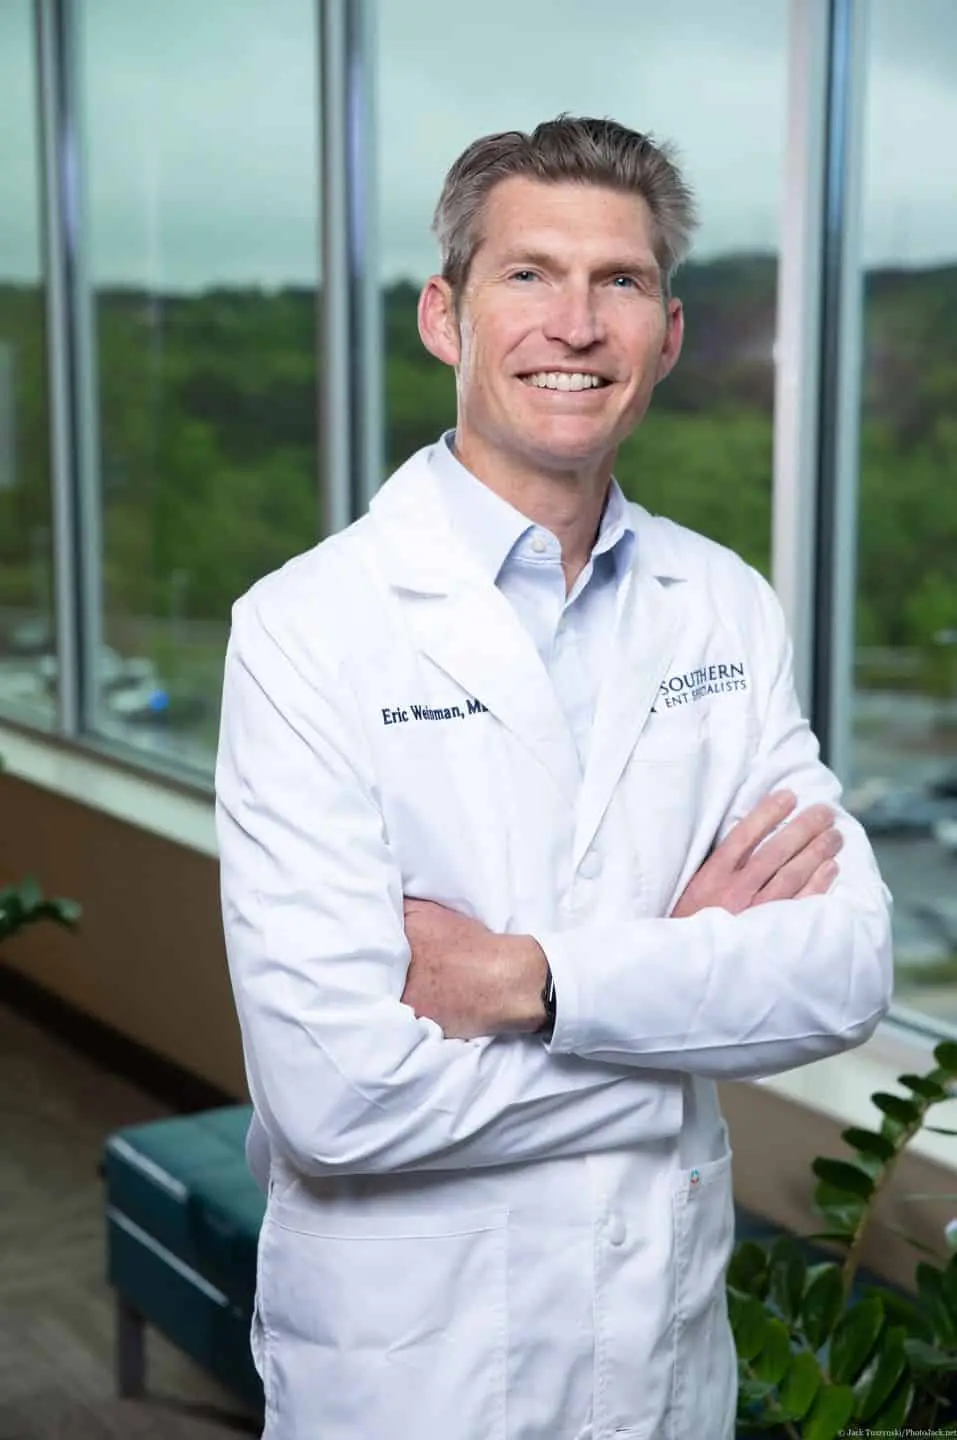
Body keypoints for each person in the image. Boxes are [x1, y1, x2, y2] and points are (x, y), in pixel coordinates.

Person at [215, 115, 892, 1440]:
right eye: (527, 275)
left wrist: (541, 982)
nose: (574, 326)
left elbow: (848, 967)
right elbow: (338, 1100)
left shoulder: (723, 605)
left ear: (671, 334)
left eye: (620, 283)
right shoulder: (306, 628)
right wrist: (684, 978)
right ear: (443, 316)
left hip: (659, 1357)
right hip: (412, 1370)